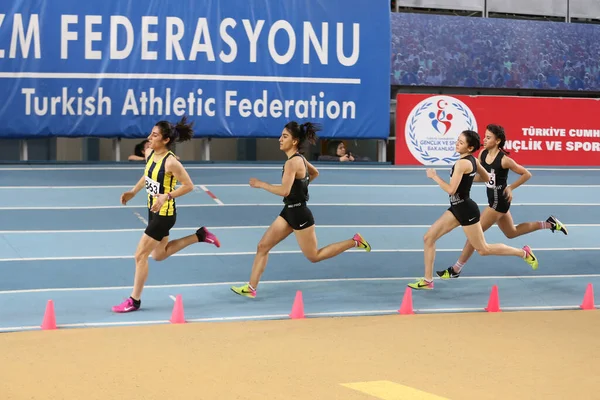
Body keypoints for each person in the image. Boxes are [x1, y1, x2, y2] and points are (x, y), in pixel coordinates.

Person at [230, 121, 372, 298]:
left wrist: (262, 184)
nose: (280, 139)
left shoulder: (292, 163)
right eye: (281, 136)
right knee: (263, 246)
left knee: (314, 256)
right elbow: (314, 174)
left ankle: (354, 241)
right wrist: (301, 188)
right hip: (289, 211)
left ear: (295, 141)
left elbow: (284, 191)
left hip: (299, 214)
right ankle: (251, 288)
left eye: (285, 136)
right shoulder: (300, 160)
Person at [113, 116, 221, 313]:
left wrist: (167, 196)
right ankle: (200, 235)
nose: (149, 138)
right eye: (150, 134)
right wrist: (133, 192)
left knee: (140, 255)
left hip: (164, 214)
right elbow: (147, 175)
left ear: (166, 140)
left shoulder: (171, 163)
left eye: (154, 135)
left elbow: (189, 186)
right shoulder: (149, 153)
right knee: (159, 255)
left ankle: (134, 300)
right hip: (153, 211)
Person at [408, 130, 538, 290]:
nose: (457, 143)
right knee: (429, 238)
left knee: (483, 249)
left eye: (461, 142)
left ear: (469, 148)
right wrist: (468, 179)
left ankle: (523, 253)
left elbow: (451, 190)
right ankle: (428, 281)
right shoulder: (474, 161)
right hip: (456, 208)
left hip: (466, 210)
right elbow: (487, 178)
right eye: (457, 140)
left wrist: (434, 176)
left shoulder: (462, 163)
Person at [437, 124, 568, 279]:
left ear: (498, 141)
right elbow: (481, 177)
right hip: (493, 199)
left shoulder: (505, 160)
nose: (484, 140)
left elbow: (526, 174)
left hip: (499, 203)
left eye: (488, 137)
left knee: (474, 239)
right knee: (511, 232)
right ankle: (550, 223)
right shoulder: (483, 155)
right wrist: (464, 179)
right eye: (484, 137)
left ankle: (456, 269)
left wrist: (511, 187)